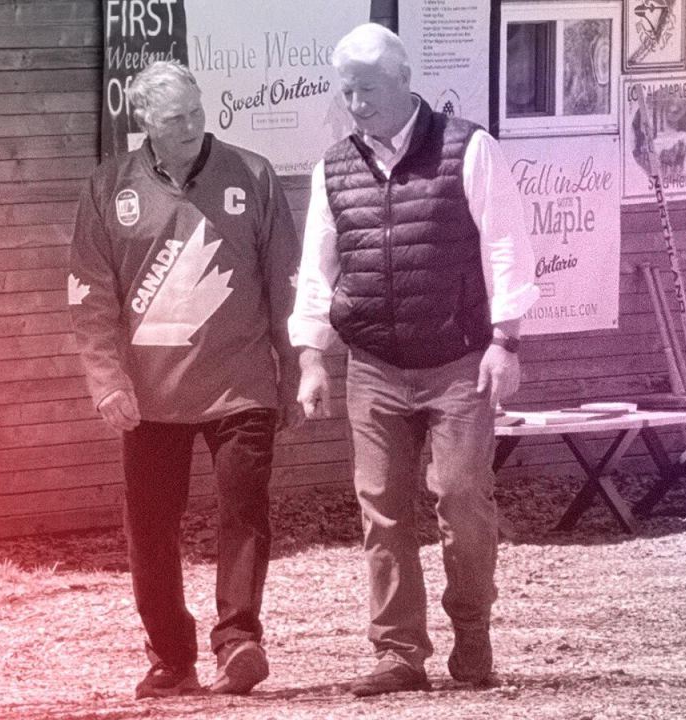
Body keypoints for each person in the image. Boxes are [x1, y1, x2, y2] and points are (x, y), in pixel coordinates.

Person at [289, 23, 538, 695]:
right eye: (346, 91)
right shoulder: (333, 166)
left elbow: (508, 247)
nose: (356, 103)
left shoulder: (469, 148)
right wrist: (312, 356)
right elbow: (318, 268)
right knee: (384, 513)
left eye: (367, 88)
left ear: (403, 82)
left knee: (461, 501)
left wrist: (505, 343)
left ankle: (473, 633)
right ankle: (399, 653)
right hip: (372, 365)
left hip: (458, 361)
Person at [68, 60, 302, 699]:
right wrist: (106, 381)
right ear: (143, 120)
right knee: (149, 529)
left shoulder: (251, 175)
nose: (194, 128)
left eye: (199, 113)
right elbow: (90, 296)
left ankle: (239, 643)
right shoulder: (108, 187)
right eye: (177, 119)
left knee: (244, 513)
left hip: (242, 384)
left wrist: (298, 368)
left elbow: (285, 283)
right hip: (149, 397)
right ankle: (172, 657)